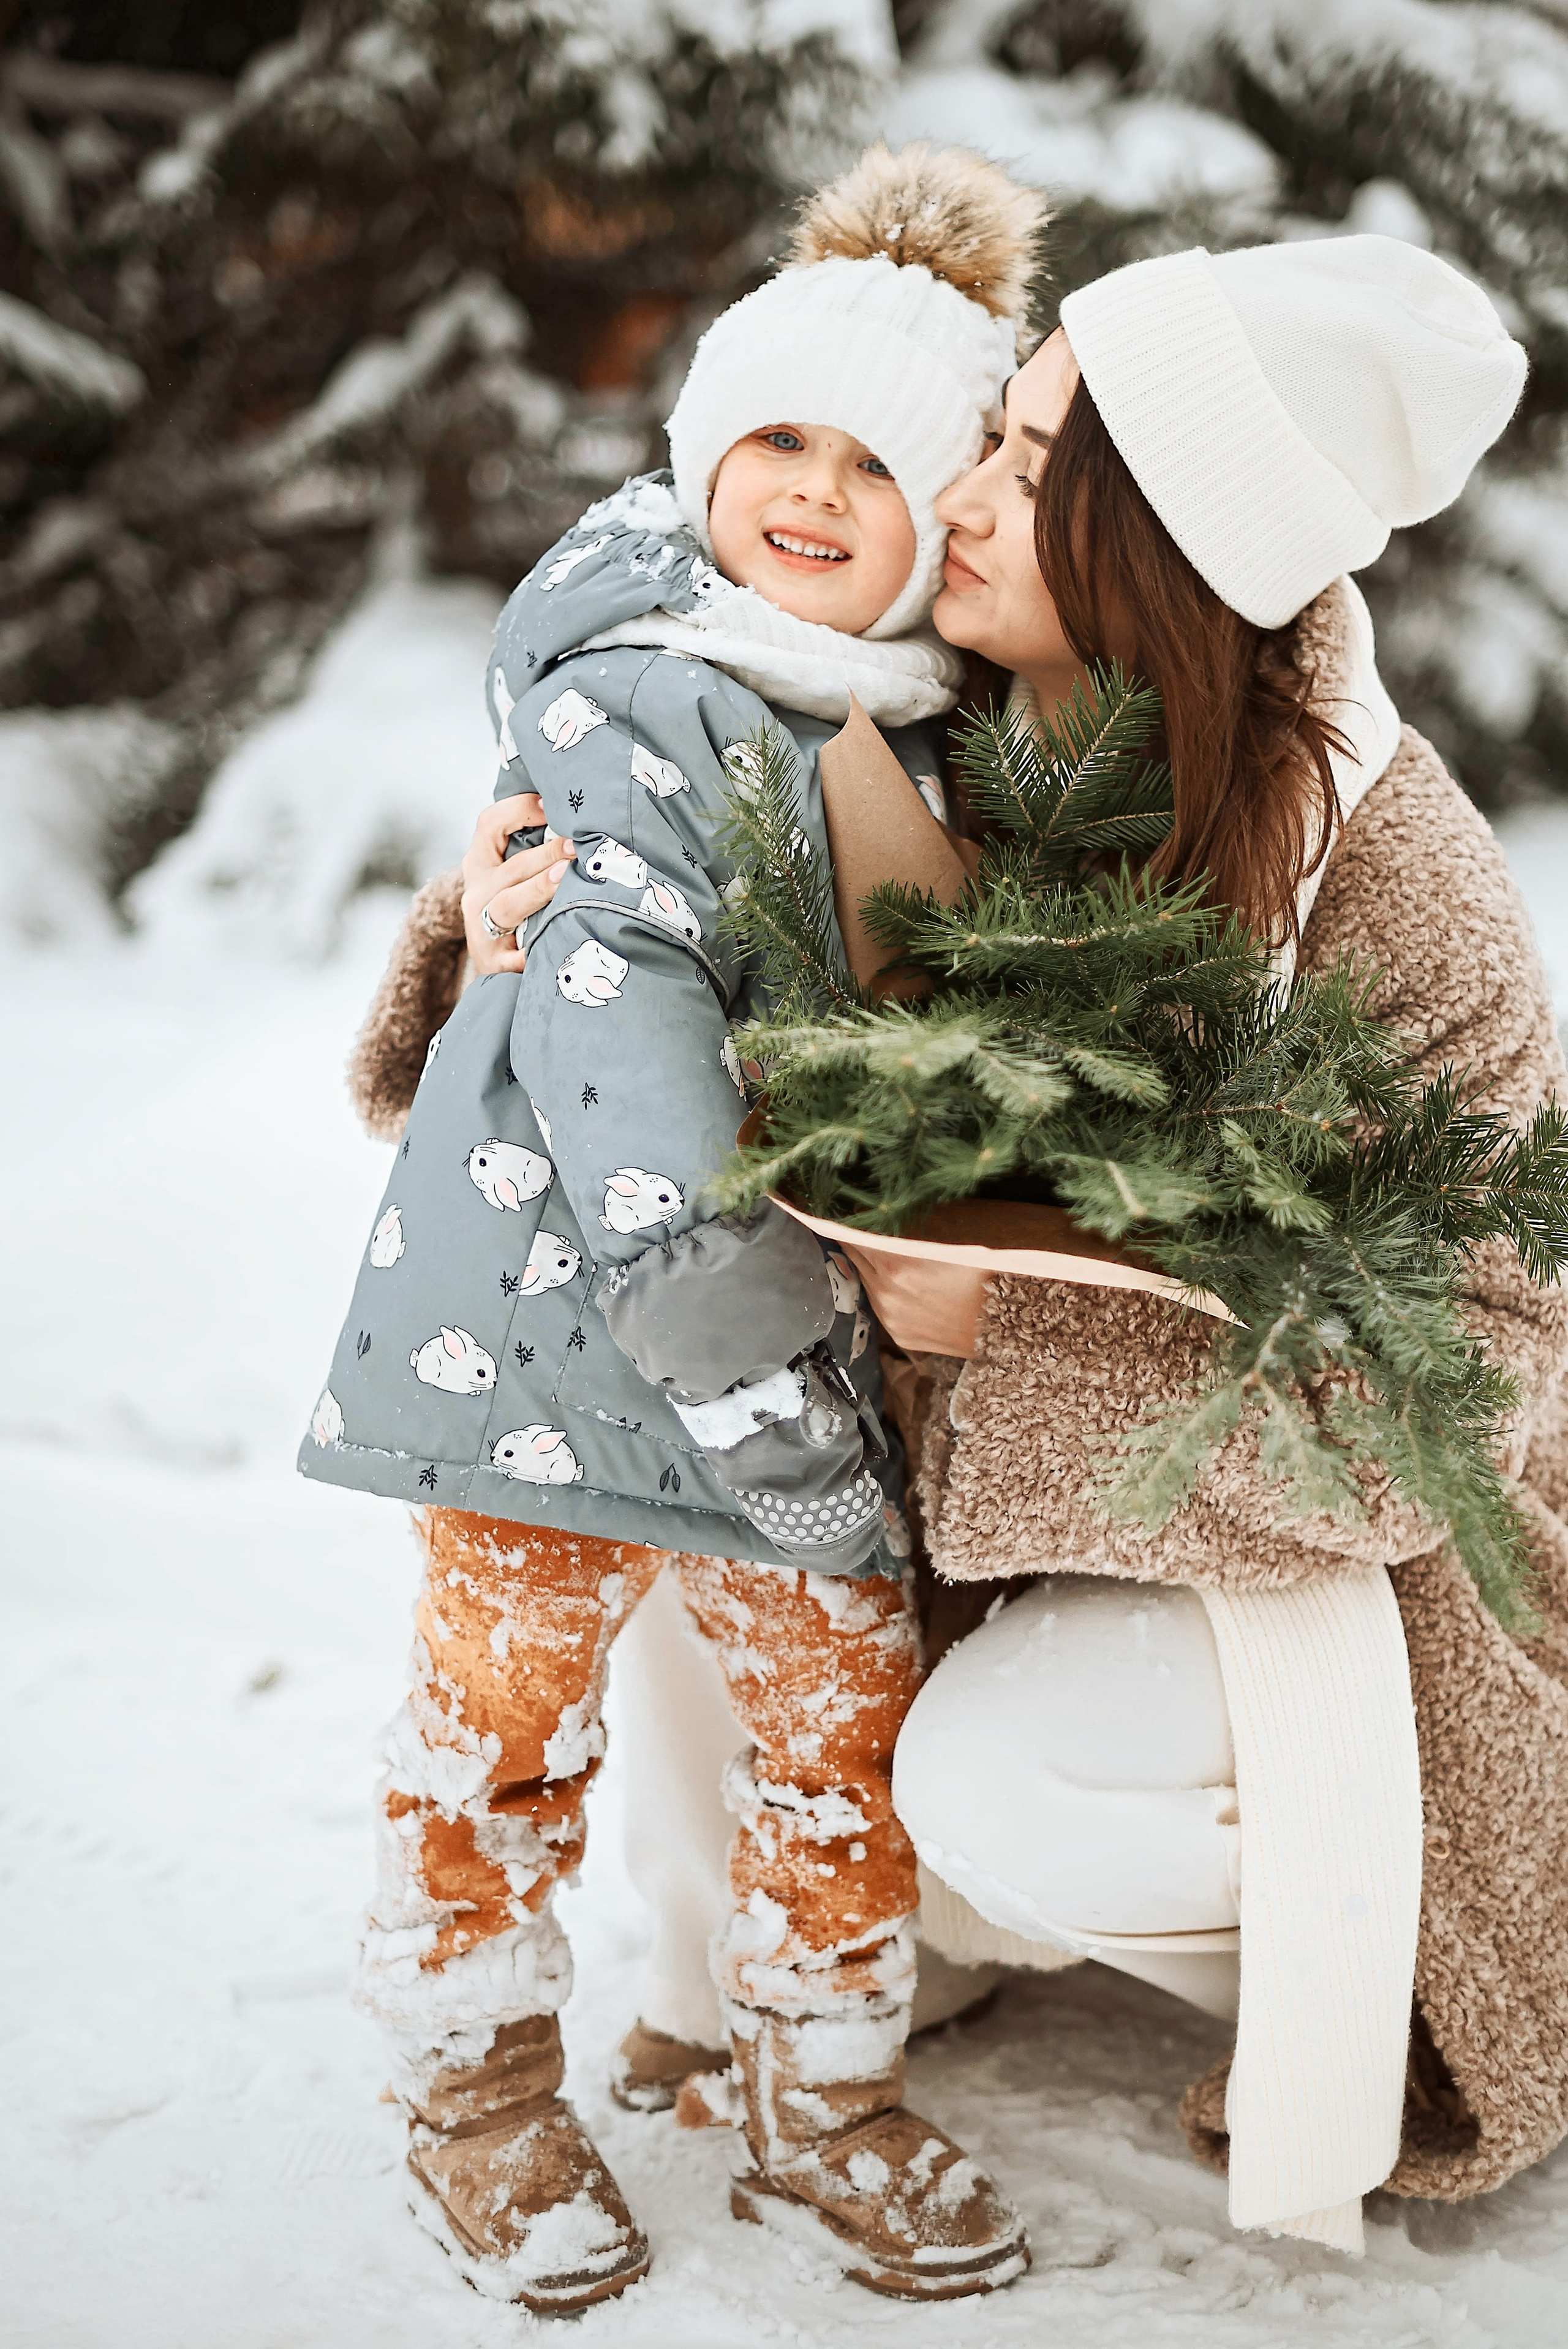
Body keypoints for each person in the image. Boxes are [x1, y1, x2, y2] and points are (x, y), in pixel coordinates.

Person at [300, 143, 1045, 2312]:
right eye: (773, 441)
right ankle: (471, 2085)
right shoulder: (649, 696)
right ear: (703, 456)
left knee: (840, 1733)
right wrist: (756, 1367)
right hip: (563, 1345)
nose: (810, 493)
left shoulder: (892, 715)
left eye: (871, 467)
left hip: (769, 1338)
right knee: (503, 1728)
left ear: (942, 523)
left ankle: (821, 2089)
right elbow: (621, 1060)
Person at [892, 236, 1568, 2255]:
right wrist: (507, 934)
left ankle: (1427, 1942)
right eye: (987, 439)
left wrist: (1011, 1333)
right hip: (1053, 1510)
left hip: (1395, 1570)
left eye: (1027, 466)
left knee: (1000, 1784)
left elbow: (1467, 1372)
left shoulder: (1386, 873)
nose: (961, 498)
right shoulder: (963, 734)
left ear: (1162, 535)